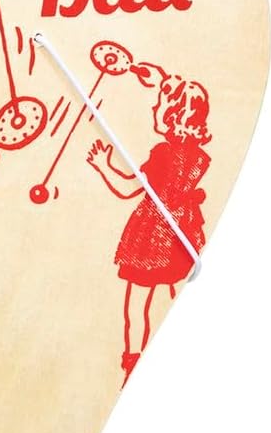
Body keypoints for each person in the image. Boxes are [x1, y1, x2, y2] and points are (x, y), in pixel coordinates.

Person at [87, 60, 211, 384]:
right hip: (182, 232)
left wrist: (103, 165)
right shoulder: (199, 156)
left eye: (159, 105)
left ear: (172, 116)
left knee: (137, 305)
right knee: (173, 292)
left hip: (153, 238)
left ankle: (133, 361)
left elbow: (128, 188)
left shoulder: (164, 154)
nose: (155, 107)